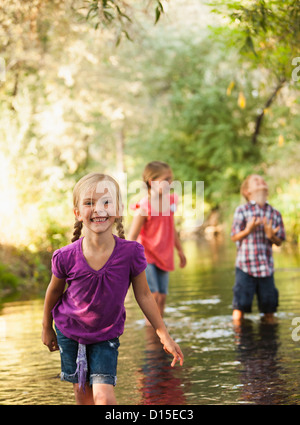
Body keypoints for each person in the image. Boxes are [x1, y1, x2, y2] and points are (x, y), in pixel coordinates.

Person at [42, 172, 184, 405]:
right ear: (77, 213)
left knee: (105, 398)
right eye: (89, 203)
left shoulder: (131, 253)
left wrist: (164, 335)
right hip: (70, 333)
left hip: (106, 335)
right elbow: (53, 293)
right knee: (83, 396)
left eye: (106, 202)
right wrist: (47, 327)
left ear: (118, 209)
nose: (99, 209)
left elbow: (144, 295)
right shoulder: (65, 256)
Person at [128, 161, 186, 320]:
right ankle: (150, 329)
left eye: (171, 179)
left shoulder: (171, 202)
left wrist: (180, 250)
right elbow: (132, 236)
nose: (170, 183)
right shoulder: (144, 207)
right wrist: (125, 260)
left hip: (164, 254)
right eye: (166, 180)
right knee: (153, 295)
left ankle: (160, 334)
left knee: (162, 296)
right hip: (146, 255)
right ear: (152, 182)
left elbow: (171, 228)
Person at [230, 174, 285, 324]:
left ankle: (268, 341)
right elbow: (234, 236)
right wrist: (248, 230)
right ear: (247, 191)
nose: (261, 181)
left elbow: (280, 242)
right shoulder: (242, 210)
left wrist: (271, 236)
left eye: (263, 180)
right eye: (256, 181)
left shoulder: (274, 213)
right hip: (245, 267)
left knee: (269, 309)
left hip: (266, 268)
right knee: (239, 308)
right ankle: (239, 336)